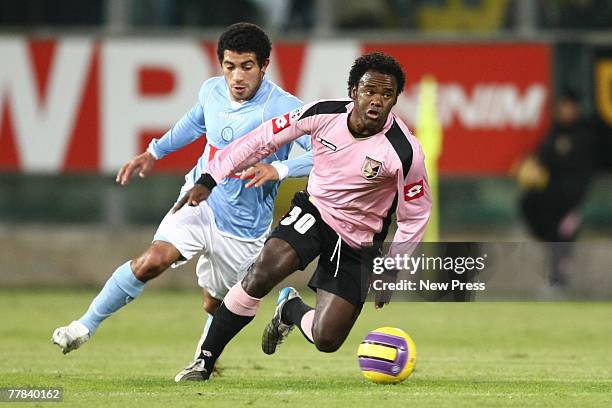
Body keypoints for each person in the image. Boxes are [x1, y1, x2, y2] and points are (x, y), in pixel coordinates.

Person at [51, 23, 313, 365]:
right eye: (229, 66)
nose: (237, 77)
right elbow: (194, 122)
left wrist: (278, 169)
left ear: (265, 65)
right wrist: (154, 152)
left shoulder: (285, 108)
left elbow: (325, 153)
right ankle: (82, 327)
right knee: (153, 260)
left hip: (245, 227)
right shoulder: (212, 91)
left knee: (215, 303)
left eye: (247, 67)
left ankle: (261, 317)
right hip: (200, 198)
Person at [172, 52, 432, 381]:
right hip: (315, 211)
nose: (377, 101)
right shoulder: (322, 113)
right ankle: (203, 361)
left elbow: (416, 214)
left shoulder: (405, 152)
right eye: (370, 91)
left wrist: (392, 268)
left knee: (327, 338)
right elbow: (260, 140)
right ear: (353, 91)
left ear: (396, 99)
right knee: (262, 272)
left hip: (358, 241)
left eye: (386, 94)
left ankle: (291, 310)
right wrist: (211, 177)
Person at [518, 88, 598, 287]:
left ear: (576, 108)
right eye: (561, 106)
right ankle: (558, 271)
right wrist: (531, 167)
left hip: (572, 195)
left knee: (561, 229)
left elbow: (573, 164)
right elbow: (541, 156)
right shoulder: (554, 133)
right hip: (551, 197)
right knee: (530, 205)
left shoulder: (584, 133)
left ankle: (559, 273)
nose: (563, 110)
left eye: (567, 106)